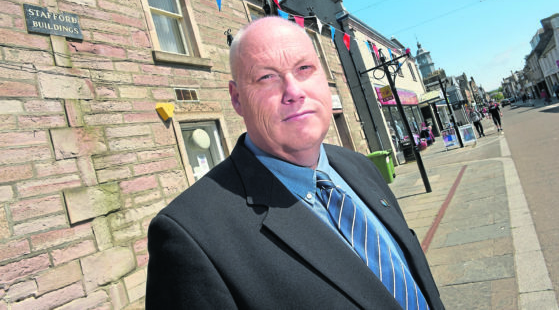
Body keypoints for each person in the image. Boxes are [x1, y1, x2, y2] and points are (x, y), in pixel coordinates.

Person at [145, 17, 445, 309]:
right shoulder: (188, 237)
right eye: (266, 77)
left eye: (304, 68)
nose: (294, 91)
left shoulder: (360, 166)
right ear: (237, 99)